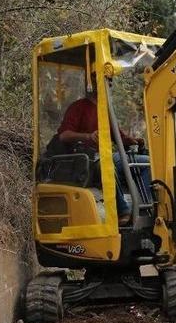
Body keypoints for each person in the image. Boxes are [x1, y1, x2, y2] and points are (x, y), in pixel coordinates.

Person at [57, 80, 151, 224]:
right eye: (105, 82)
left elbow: (120, 137)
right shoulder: (78, 107)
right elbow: (64, 135)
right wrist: (88, 136)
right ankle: (122, 211)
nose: (109, 85)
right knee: (106, 163)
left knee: (146, 163)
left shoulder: (104, 110)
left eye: (110, 82)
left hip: (105, 154)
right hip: (83, 160)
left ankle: (144, 209)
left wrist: (135, 141)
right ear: (92, 84)